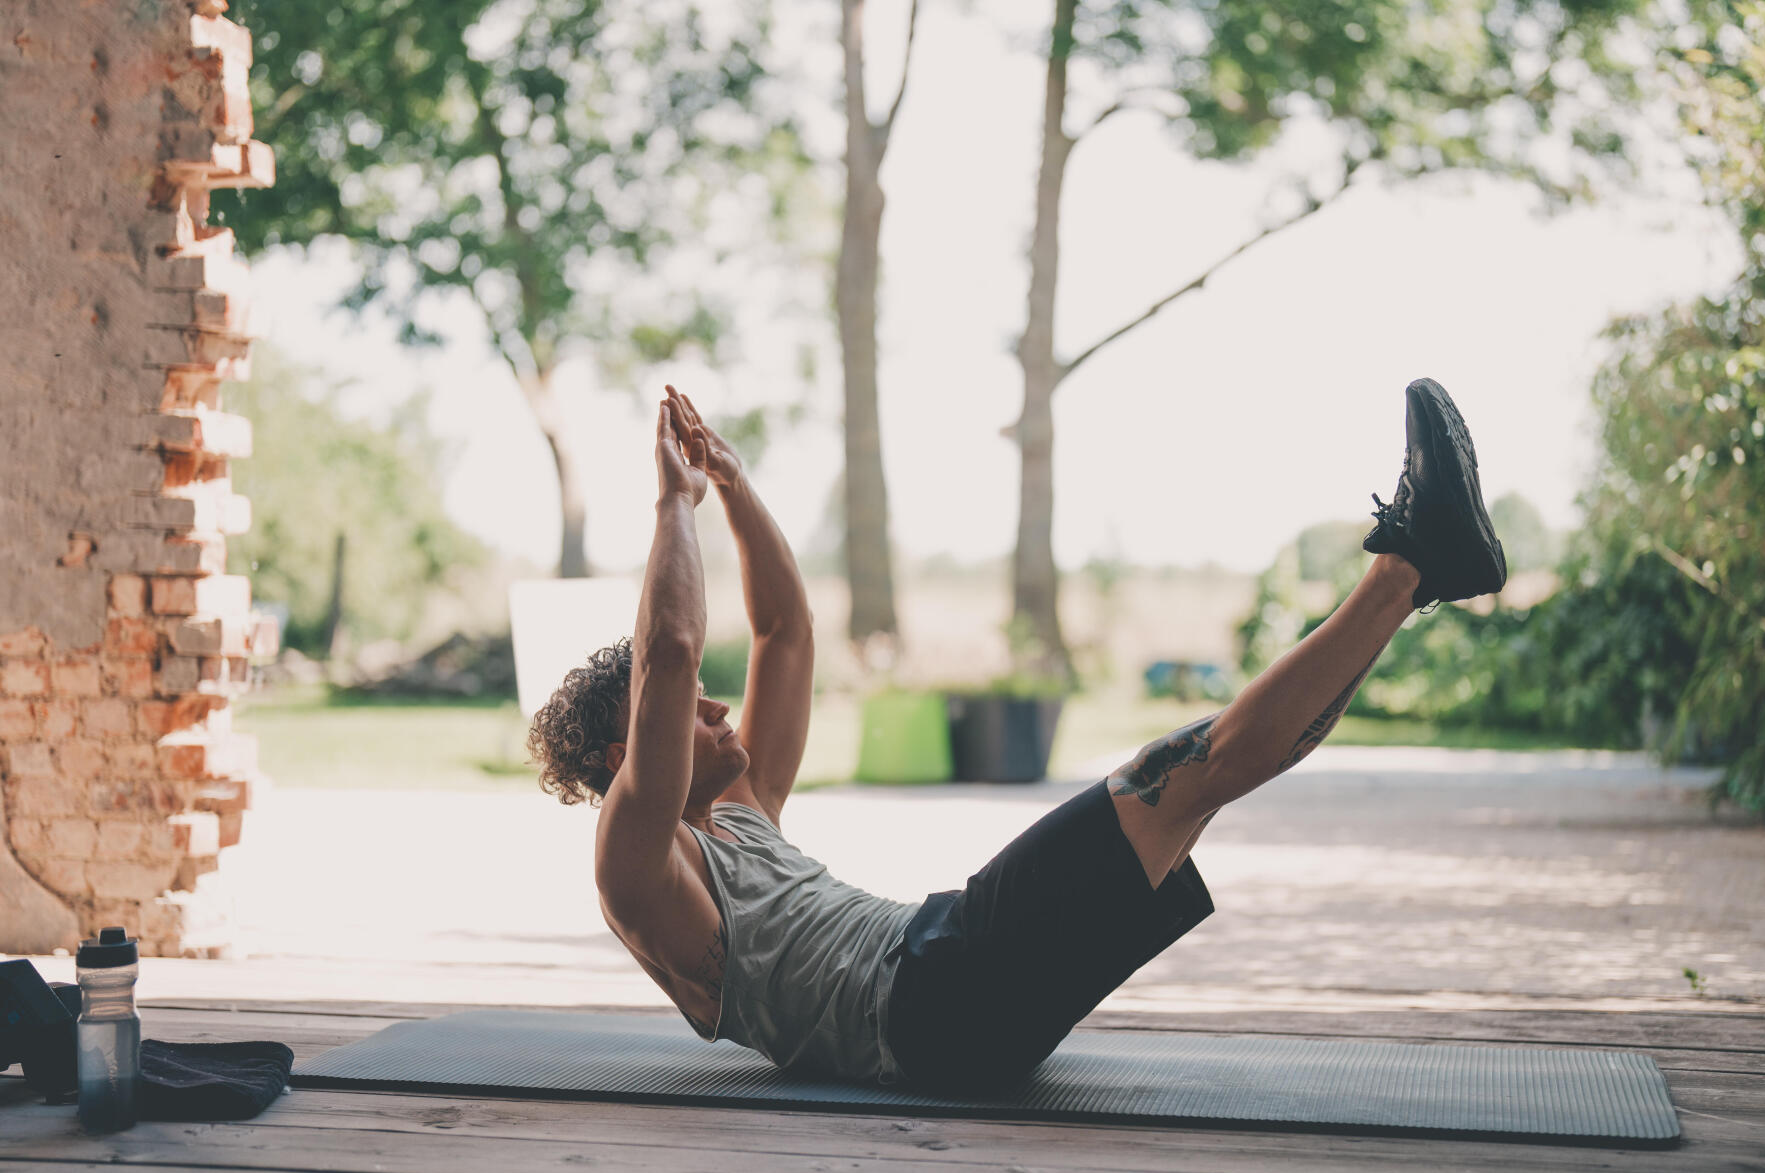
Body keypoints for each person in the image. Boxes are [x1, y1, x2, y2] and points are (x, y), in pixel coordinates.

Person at [528, 380, 1507, 1095]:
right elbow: (668, 649)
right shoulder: (638, 863)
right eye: (694, 707)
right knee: (1179, 777)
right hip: (932, 998)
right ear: (629, 755)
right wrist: (671, 506)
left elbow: (787, 632)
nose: (717, 710)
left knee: (1192, 785)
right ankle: (1413, 560)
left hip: (948, 988)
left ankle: (1417, 572)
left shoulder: (740, 812)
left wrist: (733, 486)